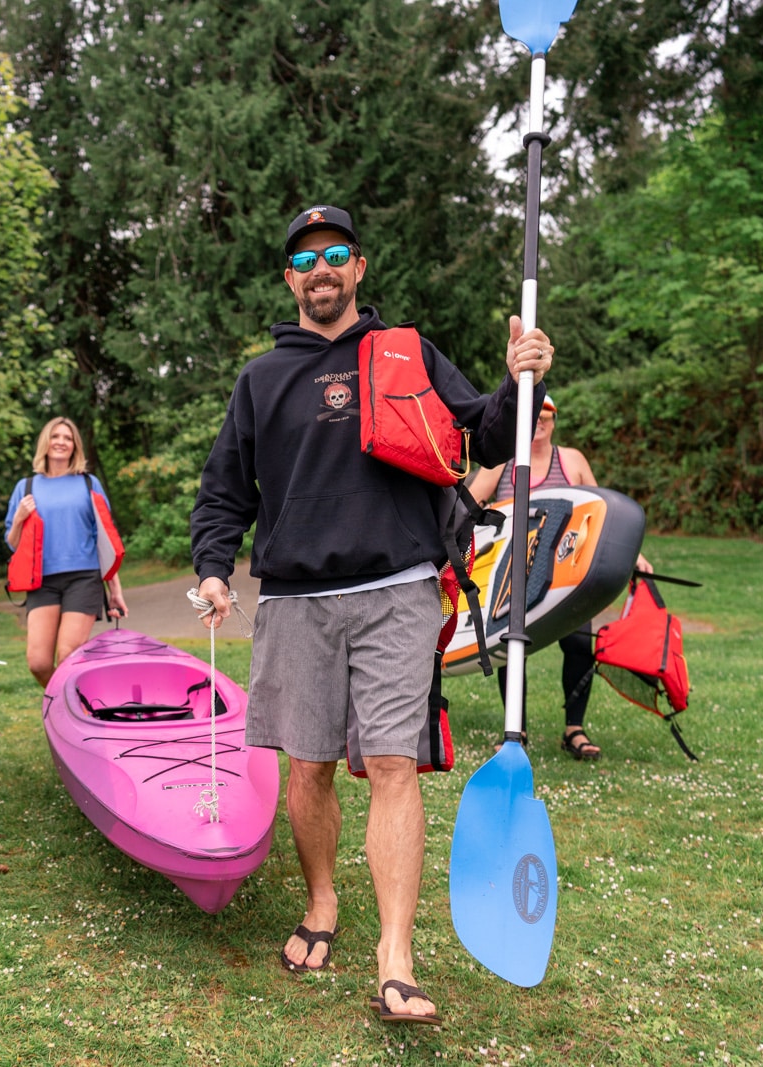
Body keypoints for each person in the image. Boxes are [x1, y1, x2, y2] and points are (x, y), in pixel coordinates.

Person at [189, 205, 555, 1024]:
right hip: (293, 599)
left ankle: (396, 952)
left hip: (396, 587)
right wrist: (214, 568)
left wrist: (519, 376)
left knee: (392, 762)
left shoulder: (407, 353)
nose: (322, 269)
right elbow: (224, 491)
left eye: (337, 254)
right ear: (290, 278)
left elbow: (487, 433)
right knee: (309, 765)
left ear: (360, 268)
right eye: (305, 258)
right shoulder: (260, 379)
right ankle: (322, 902)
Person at [467, 395, 652, 761]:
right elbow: (466, 505)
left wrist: (636, 555)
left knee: (580, 645)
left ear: (554, 420)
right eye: (533, 413)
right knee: (513, 647)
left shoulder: (572, 461)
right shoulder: (503, 461)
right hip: (513, 576)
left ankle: (574, 729)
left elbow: (603, 514)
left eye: (546, 414)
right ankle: (514, 730)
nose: (539, 420)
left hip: (569, 571)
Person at [4, 417, 129, 685]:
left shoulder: (88, 483)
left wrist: (115, 591)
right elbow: (13, 544)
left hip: (83, 578)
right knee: (38, 662)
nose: (61, 442)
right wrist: (18, 519)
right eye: (56, 436)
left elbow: (104, 541)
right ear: (45, 443)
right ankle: (69, 707)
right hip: (42, 582)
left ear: (75, 447)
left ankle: (73, 713)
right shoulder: (25, 487)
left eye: (68, 438)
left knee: (68, 654)